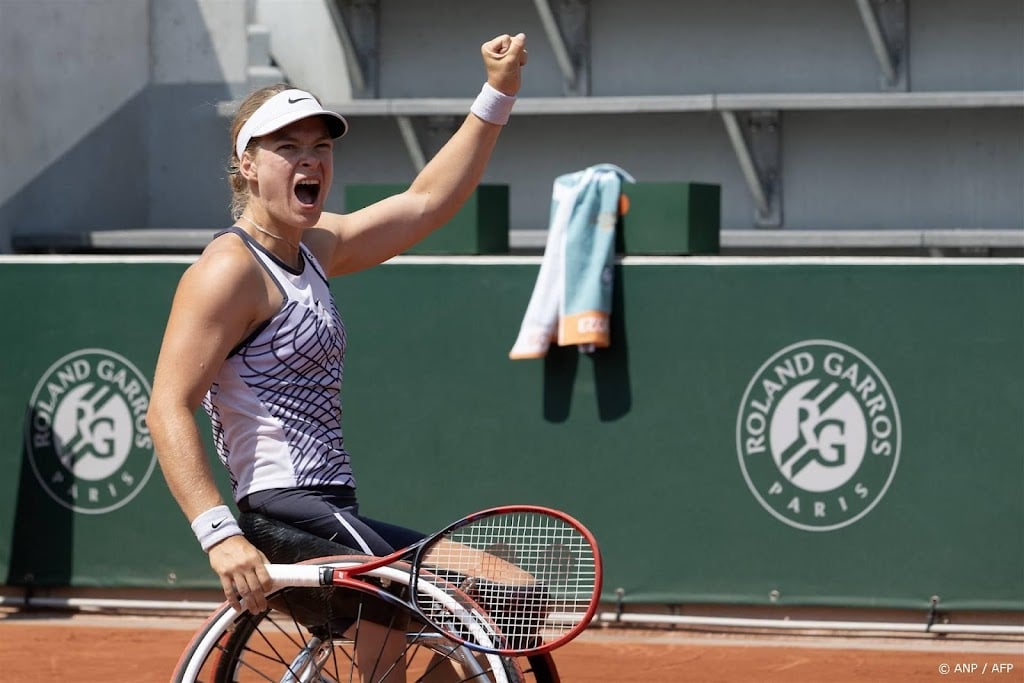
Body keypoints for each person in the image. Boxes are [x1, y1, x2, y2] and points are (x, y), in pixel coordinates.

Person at [146, 33, 528, 620]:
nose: (310, 159)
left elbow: (426, 202)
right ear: (247, 166)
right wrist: (217, 533)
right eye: (288, 146)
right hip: (287, 509)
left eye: (321, 146)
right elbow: (168, 406)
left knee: (429, 634)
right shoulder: (228, 269)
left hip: (333, 504)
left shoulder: (316, 249)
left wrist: (496, 93)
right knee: (495, 592)